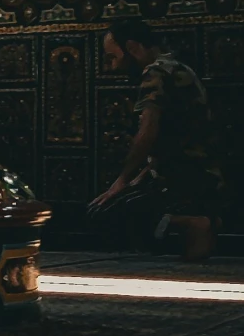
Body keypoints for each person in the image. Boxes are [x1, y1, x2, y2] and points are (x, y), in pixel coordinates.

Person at [90, 14, 226, 263]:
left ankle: (192, 222)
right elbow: (174, 137)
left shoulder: (156, 73)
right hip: (205, 176)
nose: (112, 66)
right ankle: (201, 223)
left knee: (106, 211)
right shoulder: (177, 68)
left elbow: (149, 131)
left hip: (186, 178)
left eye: (113, 57)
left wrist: (121, 182)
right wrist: (140, 179)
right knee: (192, 261)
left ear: (131, 48)